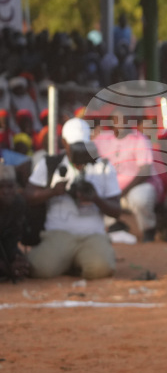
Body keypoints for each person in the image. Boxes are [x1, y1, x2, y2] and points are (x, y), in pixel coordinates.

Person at [23, 118, 121, 280]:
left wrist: (96, 198)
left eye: (83, 146)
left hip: (92, 235)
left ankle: (75, 261)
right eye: (75, 146)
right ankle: (71, 262)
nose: (79, 151)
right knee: (38, 269)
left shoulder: (103, 166)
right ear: (64, 142)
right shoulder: (50, 163)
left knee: (101, 269)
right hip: (57, 233)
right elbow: (28, 195)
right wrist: (52, 192)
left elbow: (116, 211)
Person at [92, 110, 160, 243]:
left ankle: (148, 229)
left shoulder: (139, 139)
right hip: (112, 189)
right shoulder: (101, 139)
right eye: (117, 119)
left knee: (140, 198)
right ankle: (114, 225)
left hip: (135, 186)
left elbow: (144, 171)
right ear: (111, 122)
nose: (121, 123)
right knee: (94, 191)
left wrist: (122, 191)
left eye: (124, 119)